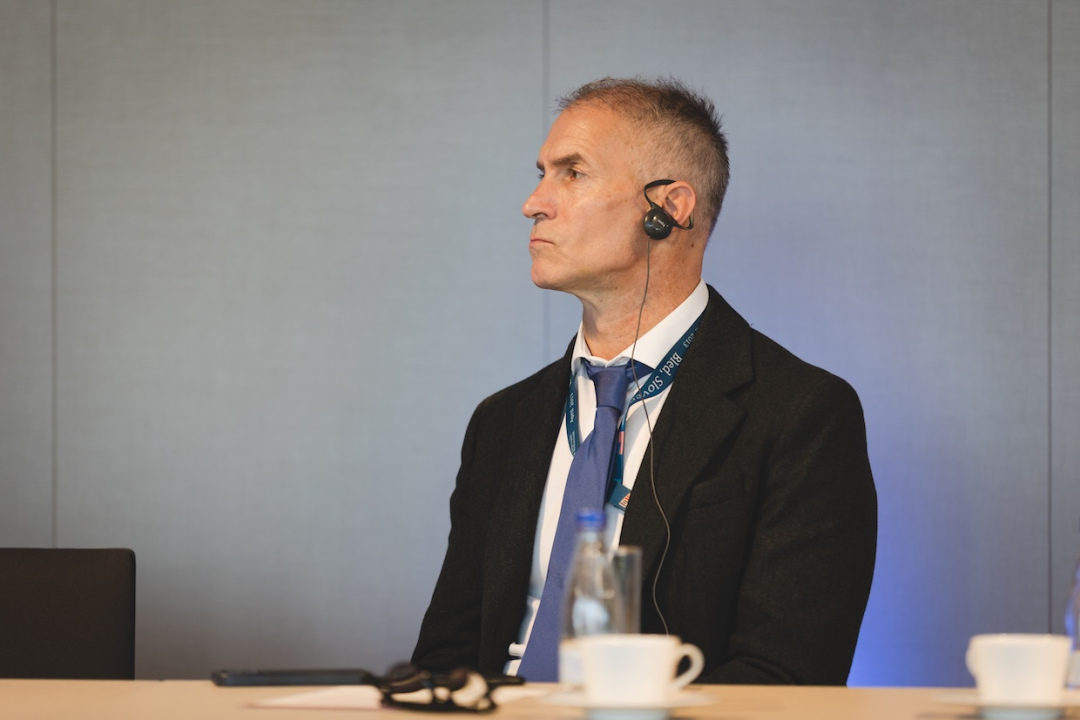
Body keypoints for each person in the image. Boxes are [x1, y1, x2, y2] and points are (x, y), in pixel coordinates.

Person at [411, 77, 877, 685]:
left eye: (573, 173)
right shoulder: (501, 422)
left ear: (669, 208)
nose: (534, 203)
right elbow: (443, 657)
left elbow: (786, 677)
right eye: (542, 174)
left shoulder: (801, 414)